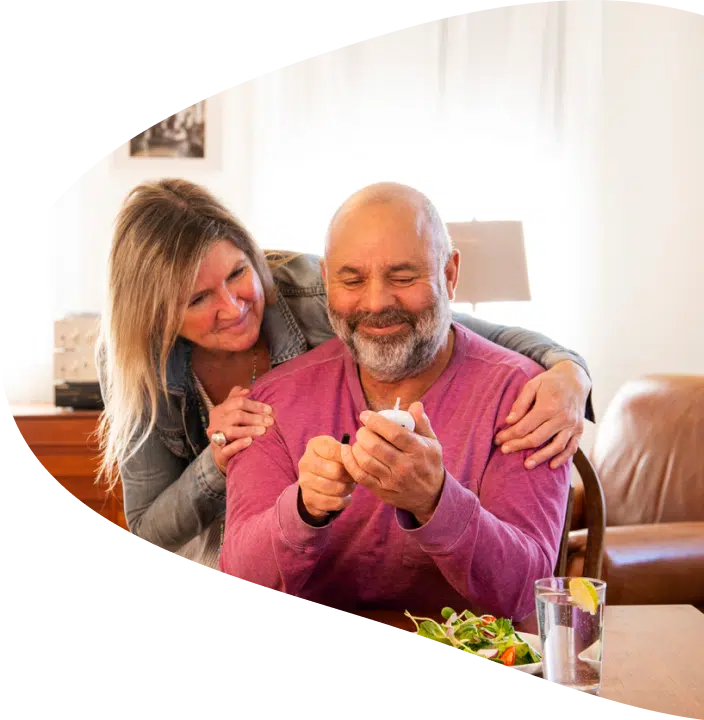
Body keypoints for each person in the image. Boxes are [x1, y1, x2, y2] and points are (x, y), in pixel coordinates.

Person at [96, 178, 591, 577]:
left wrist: (569, 371)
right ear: (155, 316)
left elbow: (447, 324)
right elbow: (151, 532)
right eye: (196, 299)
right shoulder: (134, 360)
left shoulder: (319, 289)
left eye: (237, 274)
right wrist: (218, 461)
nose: (232, 307)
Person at [218, 181, 573, 621]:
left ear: (449, 275)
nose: (376, 302)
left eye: (403, 277)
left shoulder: (526, 399)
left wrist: (435, 500)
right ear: (326, 282)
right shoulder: (272, 402)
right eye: (352, 280)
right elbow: (239, 581)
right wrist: (303, 507)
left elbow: (528, 595)